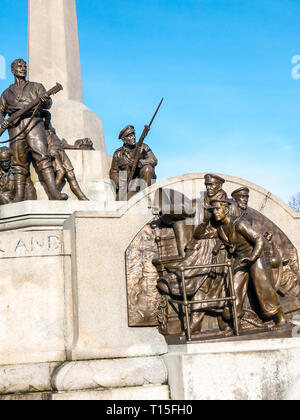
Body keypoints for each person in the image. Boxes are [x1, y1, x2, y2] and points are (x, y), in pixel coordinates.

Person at [209, 198, 286, 328]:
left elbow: (259, 239)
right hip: (241, 259)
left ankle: (280, 318)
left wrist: (252, 257)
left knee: (263, 287)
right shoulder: (221, 229)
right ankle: (237, 323)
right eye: (213, 210)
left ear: (226, 209)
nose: (215, 212)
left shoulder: (239, 223)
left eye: (218, 209)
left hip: (255, 256)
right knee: (235, 288)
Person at [0, 58, 68, 202]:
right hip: (14, 127)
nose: (23, 68)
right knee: (18, 163)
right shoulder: (6, 93)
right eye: (19, 66)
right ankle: (19, 196)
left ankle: (54, 193)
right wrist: (4, 121)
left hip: (33, 122)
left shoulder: (37, 86)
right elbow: (1, 112)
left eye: (25, 66)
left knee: (43, 156)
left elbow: (48, 104)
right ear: (12, 70)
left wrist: (45, 101)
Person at [41, 110, 89, 201]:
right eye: (47, 119)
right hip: (53, 153)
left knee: (71, 174)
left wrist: (74, 147)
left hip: (61, 152)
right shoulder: (40, 132)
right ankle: (53, 195)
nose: (49, 121)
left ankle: (82, 197)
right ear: (43, 119)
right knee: (61, 171)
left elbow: (61, 143)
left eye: (49, 119)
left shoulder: (52, 131)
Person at [109, 125, 157, 200]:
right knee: (122, 202)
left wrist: (140, 163)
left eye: (133, 135)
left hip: (142, 180)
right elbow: (113, 172)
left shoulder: (143, 147)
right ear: (124, 140)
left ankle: (148, 197)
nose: (133, 137)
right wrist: (120, 183)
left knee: (148, 169)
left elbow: (153, 160)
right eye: (130, 136)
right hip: (127, 184)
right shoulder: (118, 154)